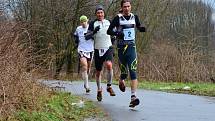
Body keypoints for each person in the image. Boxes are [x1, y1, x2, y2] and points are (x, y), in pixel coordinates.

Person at [107, 0, 146, 107]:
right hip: (121, 49)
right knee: (124, 72)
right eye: (125, 6)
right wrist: (117, 33)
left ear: (131, 7)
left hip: (132, 47)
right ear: (122, 7)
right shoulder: (117, 18)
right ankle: (121, 80)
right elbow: (109, 31)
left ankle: (133, 97)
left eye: (128, 6)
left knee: (133, 71)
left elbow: (138, 26)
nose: (127, 8)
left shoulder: (135, 17)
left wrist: (141, 28)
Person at [85, 5, 116, 101]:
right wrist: (94, 31)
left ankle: (109, 86)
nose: (100, 14)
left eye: (101, 12)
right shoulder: (92, 23)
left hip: (108, 48)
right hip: (98, 49)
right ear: (96, 14)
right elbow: (86, 36)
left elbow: (114, 33)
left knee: (109, 65)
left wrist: (112, 42)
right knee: (98, 72)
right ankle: (99, 90)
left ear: (104, 13)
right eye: (98, 13)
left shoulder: (109, 22)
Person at [74, 15, 94, 93]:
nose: (83, 23)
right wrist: (76, 39)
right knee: (84, 66)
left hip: (90, 50)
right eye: (82, 21)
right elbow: (75, 35)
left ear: (87, 20)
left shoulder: (90, 28)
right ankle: (87, 86)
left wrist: (92, 36)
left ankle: (85, 83)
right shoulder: (78, 29)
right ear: (80, 22)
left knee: (88, 68)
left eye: (84, 21)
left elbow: (95, 35)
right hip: (81, 50)